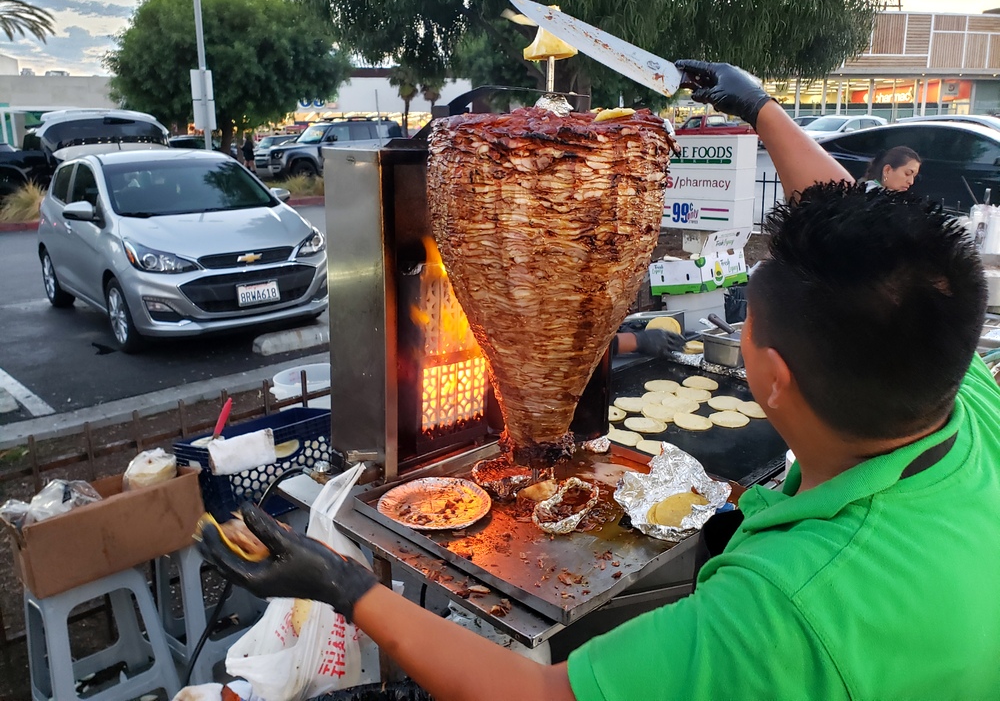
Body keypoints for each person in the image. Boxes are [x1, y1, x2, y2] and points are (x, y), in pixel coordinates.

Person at [198, 61, 1000, 700]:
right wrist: (757, 106)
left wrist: (345, 585)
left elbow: (536, 696)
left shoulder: (778, 614)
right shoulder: (967, 406)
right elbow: (867, 238)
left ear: (773, 378)